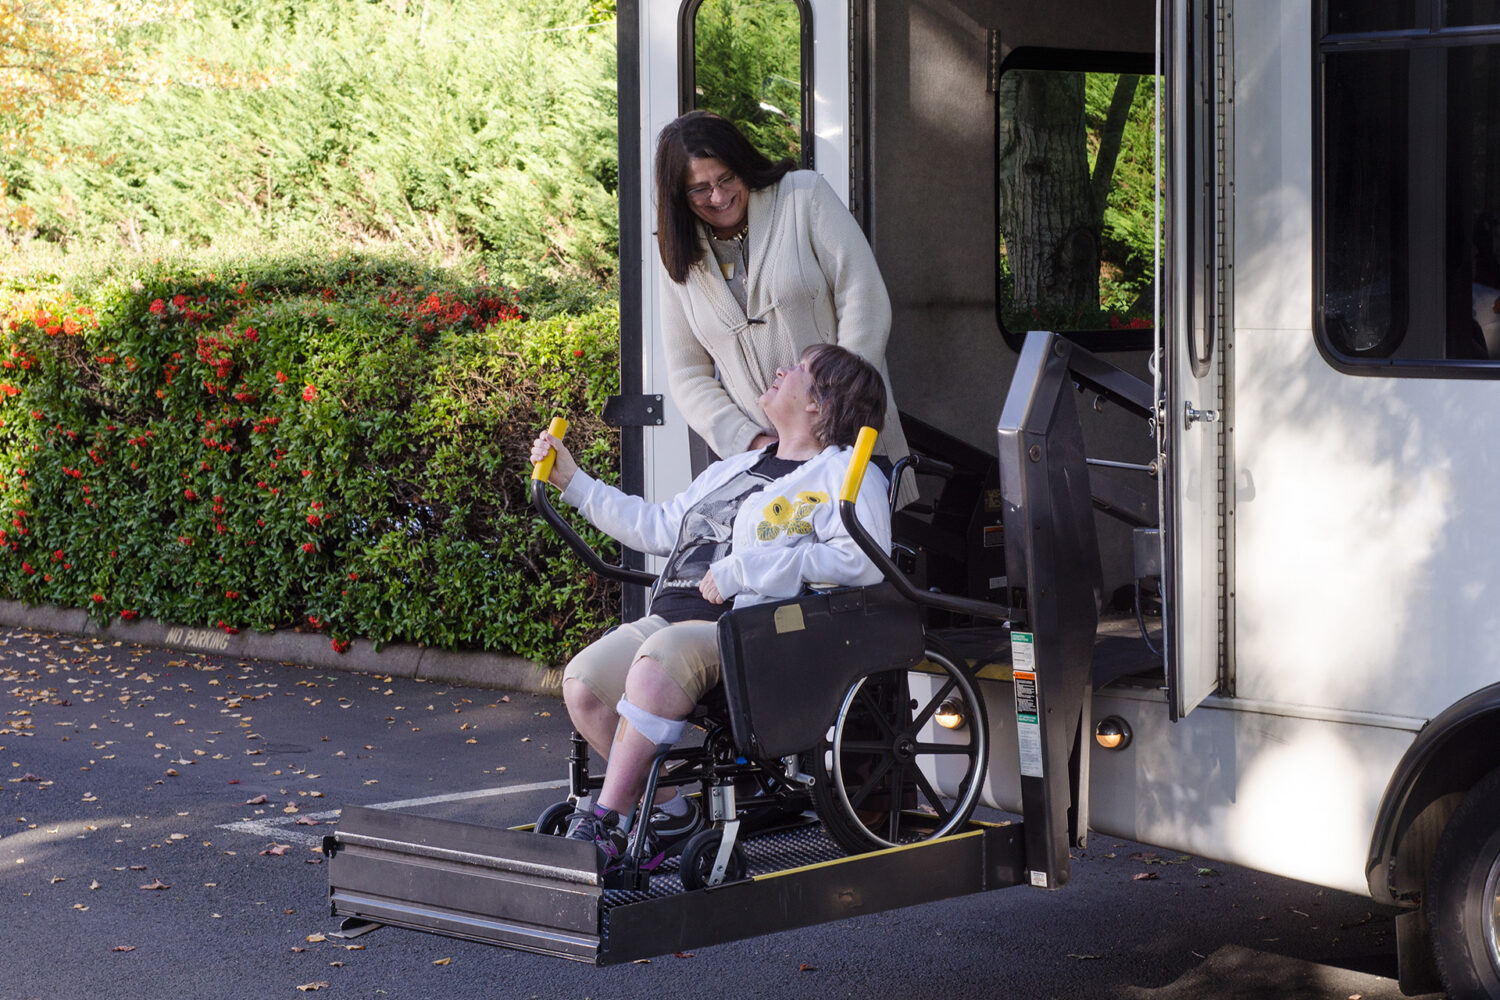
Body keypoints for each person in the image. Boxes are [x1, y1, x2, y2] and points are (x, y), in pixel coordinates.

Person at [529, 344, 893, 871]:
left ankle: (605, 821)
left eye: (798, 368)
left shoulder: (845, 473)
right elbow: (658, 526)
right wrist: (573, 482)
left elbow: (862, 561)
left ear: (820, 403)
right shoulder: (738, 467)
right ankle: (671, 812)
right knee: (584, 684)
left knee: (657, 665)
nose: (780, 369)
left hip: (750, 629)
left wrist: (745, 571)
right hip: (672, 618)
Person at [654, 110, 916, 506]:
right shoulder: (675, 254)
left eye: (726, 178)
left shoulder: (802, 195)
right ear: (679, 194)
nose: (719, 196)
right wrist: (752, 442)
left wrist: (836, 412)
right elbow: (689, 375)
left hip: (852, 445)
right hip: (767, 473)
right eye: (700, 189)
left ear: (743, 164)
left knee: (864, 558)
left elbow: (864, 296)